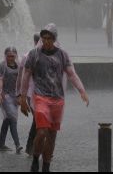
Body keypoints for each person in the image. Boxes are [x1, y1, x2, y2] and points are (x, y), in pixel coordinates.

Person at [20, 24, 89, 173]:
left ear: (54, 39)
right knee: (42, 131)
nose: (45, 41)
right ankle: (35, 158)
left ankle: (46, 165)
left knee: (52, 135)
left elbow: (71, 74)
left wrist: (82, 91)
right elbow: (25, 76)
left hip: (58, 99)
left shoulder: (62, 55)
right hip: (40, 97)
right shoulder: (34, 54)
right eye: (43, 38)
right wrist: (22, 98)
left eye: (49, 38)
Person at [0, 46, 23, 154]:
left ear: (15, 55)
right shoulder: (2, 66)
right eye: (9, 56)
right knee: (13, 119)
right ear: (5, 56)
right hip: (5, 95)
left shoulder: (19, 65)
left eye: (13, 56)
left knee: (7, 120)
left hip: (15, 96)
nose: (11, 58)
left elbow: (20, 81)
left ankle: (1, 145)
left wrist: (21, 95)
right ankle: (18, 145)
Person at [17, 32, 41, 155]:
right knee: (38, 120)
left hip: (41, 94)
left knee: (39, 121)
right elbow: (21, 76)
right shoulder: (28, 56)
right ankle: (32, 147)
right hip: (32, 94)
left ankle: (32, 147)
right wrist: (20, 95)